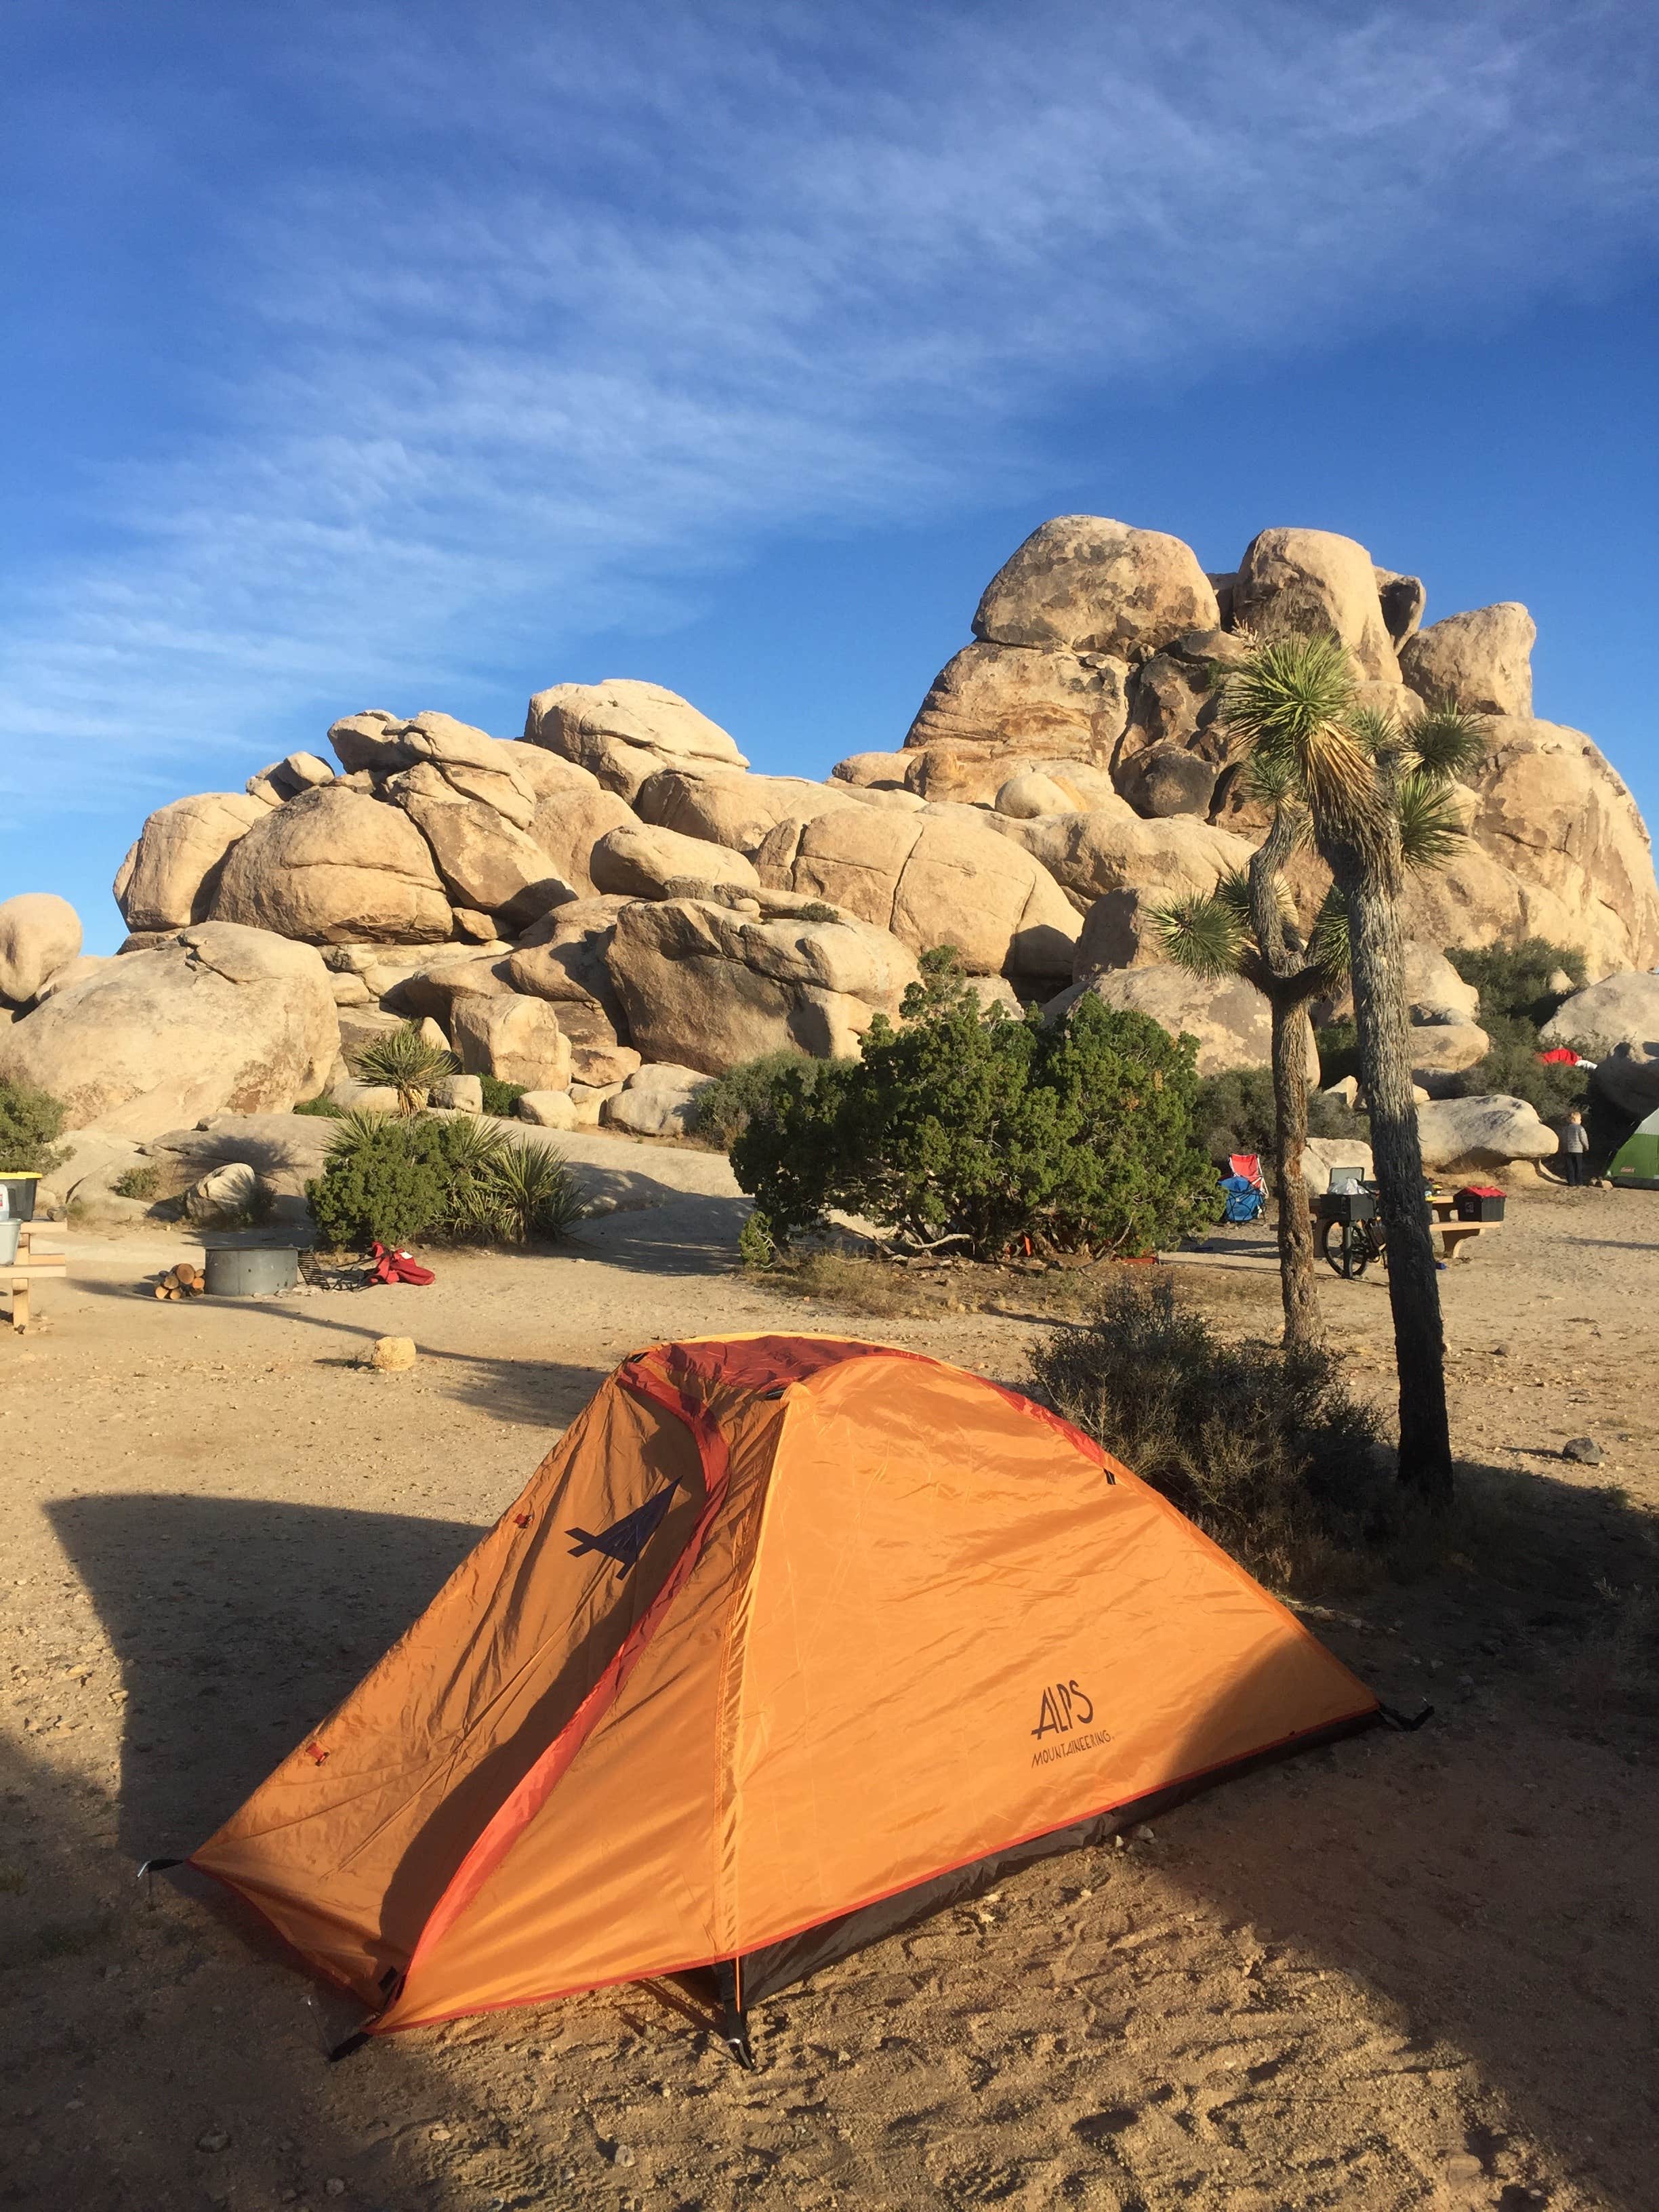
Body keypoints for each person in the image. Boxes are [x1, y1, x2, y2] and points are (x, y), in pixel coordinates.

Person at [1561, 1107, 1590, 1187]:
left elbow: (1563, 1139)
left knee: (1569, 1167)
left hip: (1567, 1150)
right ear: (1576, 1120)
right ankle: (1579, 1182)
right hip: (1578, 1151)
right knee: (1578, 1166)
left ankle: (1571, 1182)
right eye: (1580, 1119)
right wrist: (1586, 1146)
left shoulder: (1565, 1129)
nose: (1581, 1121)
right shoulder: (1580, 1128)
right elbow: (1583, 1138)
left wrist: (1563, 1148)